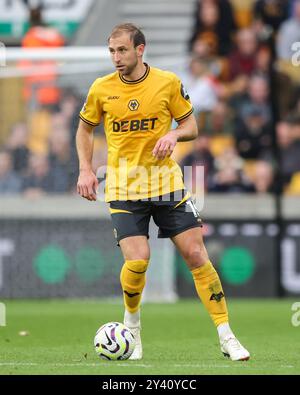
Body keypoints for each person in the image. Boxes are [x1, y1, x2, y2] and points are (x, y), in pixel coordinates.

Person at [76, 23, 250, 361]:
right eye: (112, 51)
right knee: (138, 259)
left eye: (122, 50)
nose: (116, 57)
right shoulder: (101, 88)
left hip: (167, 186)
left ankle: (227, 336)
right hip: (124, 188)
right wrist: (85, 168)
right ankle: (133, 329)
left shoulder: (167, 83)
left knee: (197, 255)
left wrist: (173, 135)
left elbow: (191, 126)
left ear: (140, 49)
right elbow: (85, 129)